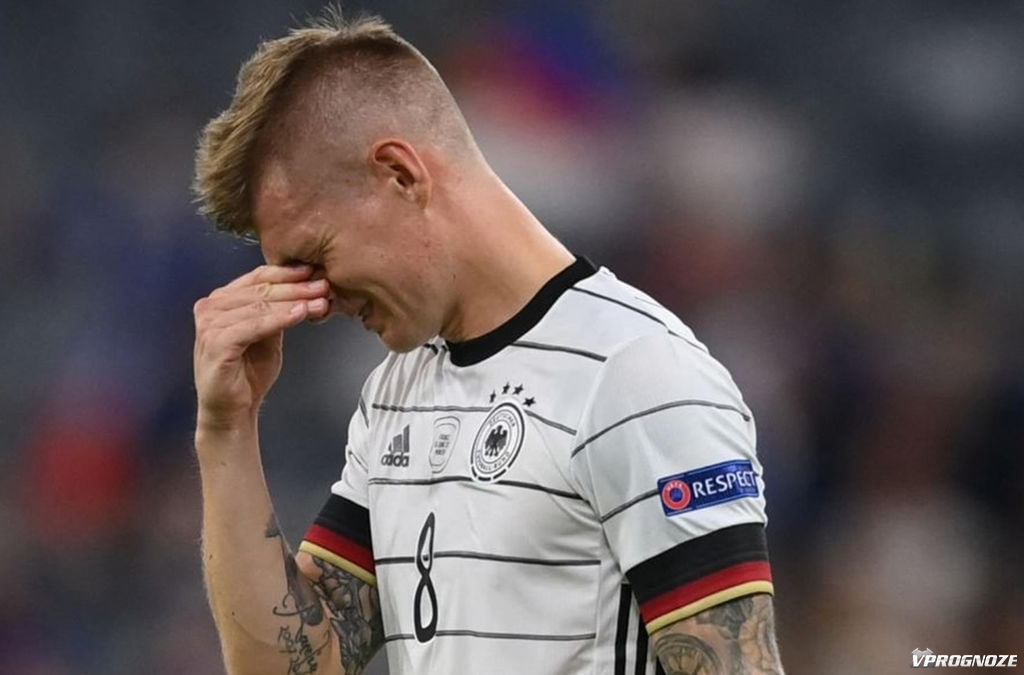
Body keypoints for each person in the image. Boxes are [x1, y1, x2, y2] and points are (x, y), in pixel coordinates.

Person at [191, 11, 784, 675]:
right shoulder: (395, 393)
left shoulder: (635, 375)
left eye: (316, 256)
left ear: (400, 174)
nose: (317, 302)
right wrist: (226, 427)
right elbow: (297, 669)